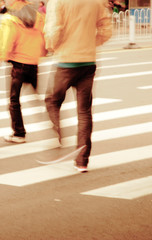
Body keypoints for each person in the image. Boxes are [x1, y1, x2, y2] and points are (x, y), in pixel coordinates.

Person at [43, 0, 112, 173]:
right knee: (84, 112)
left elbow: (54, 29)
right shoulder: (97, 2)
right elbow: (106, 29)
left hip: (66, 61)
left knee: (52, 99)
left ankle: (57, 134)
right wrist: (91, 43)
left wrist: (52, 46)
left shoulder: (58, 2)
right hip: (88, 61)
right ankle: (82, 161)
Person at [0, 0, 46, 143]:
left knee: (14, 100)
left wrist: (4, 56)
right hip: (33, 63)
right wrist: (41, 53)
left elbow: (7, 41)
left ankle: (19, 133)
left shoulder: (9, 18)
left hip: (18, 64)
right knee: (37, 98)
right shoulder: (38, 16)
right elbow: (44, 36)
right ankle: (54, 126)